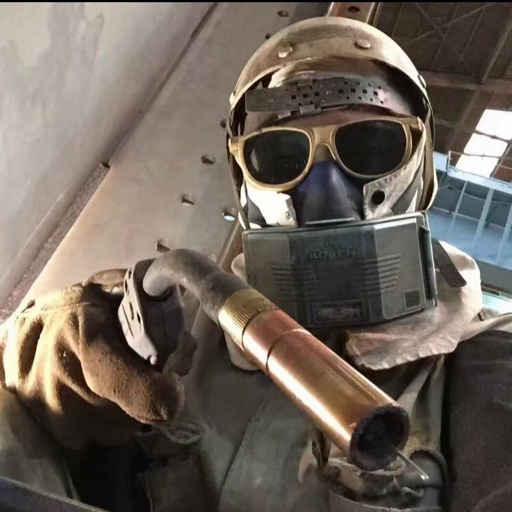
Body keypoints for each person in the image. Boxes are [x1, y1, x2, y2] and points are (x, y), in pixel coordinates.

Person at [1, 16, 512, 512]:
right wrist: (53, 365)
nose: (326, 189)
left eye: (371, 146)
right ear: (245, 180)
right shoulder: (175, 327)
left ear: (420, 166)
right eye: (283, 156)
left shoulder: (483, 360)